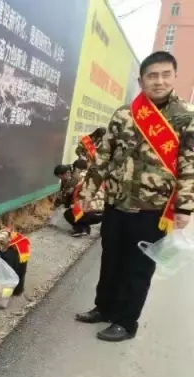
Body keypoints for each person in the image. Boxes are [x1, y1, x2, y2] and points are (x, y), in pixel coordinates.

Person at [75, 51, 194, 342]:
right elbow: (103, 156)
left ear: (174, 77)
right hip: (116, 203)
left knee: (138, 267)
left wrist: (184, 208)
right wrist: (87, 192)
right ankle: (104, 308)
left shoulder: (186, 118)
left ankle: (126, 322)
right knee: (111, 259)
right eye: (152, 76)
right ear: (141, 81)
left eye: (165, 74)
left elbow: (189, 166)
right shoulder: (124, 114)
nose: (159, 81)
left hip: (153, 209)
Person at [62, 158, 105, 237]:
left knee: (68, 213)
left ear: (77, 169)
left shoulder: (80, 178)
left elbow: (74, 198)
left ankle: (80, 229)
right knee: (79, 210)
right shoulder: (95, 176)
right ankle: (84, 229)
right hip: (102, 213)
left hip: (91, 212)